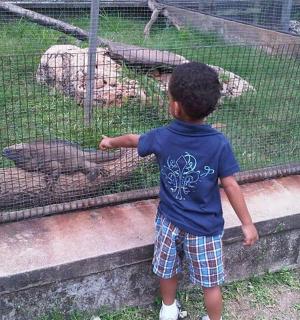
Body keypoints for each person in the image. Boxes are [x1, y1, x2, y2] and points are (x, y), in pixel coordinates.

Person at [100, 62, 259, 320]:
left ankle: (169, 308)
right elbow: (230, 184)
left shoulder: (163, 136)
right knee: (211, 283)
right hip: (205, 228)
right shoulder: (218, 143)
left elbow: (132, 139)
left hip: (168, 222)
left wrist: (109, 142)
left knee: (167, 269)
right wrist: (247, 223)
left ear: (175, 106)